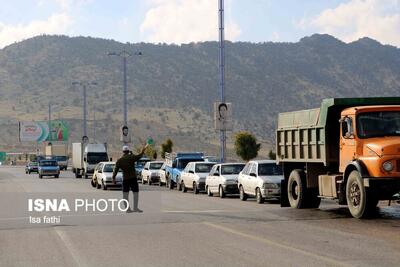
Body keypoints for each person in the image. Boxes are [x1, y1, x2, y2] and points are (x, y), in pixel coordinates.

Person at [112, 144, 148, 213]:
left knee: (125, 194)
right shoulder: (131, 157)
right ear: (128, 151)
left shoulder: (119, 160)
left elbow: (115, 170)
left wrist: (113, 178)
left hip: (125, 179)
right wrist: (143, 151)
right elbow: (139, 156)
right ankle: (135, 208)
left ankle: (127, 209)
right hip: (133, 178)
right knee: (135, 193)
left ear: (123, 151)